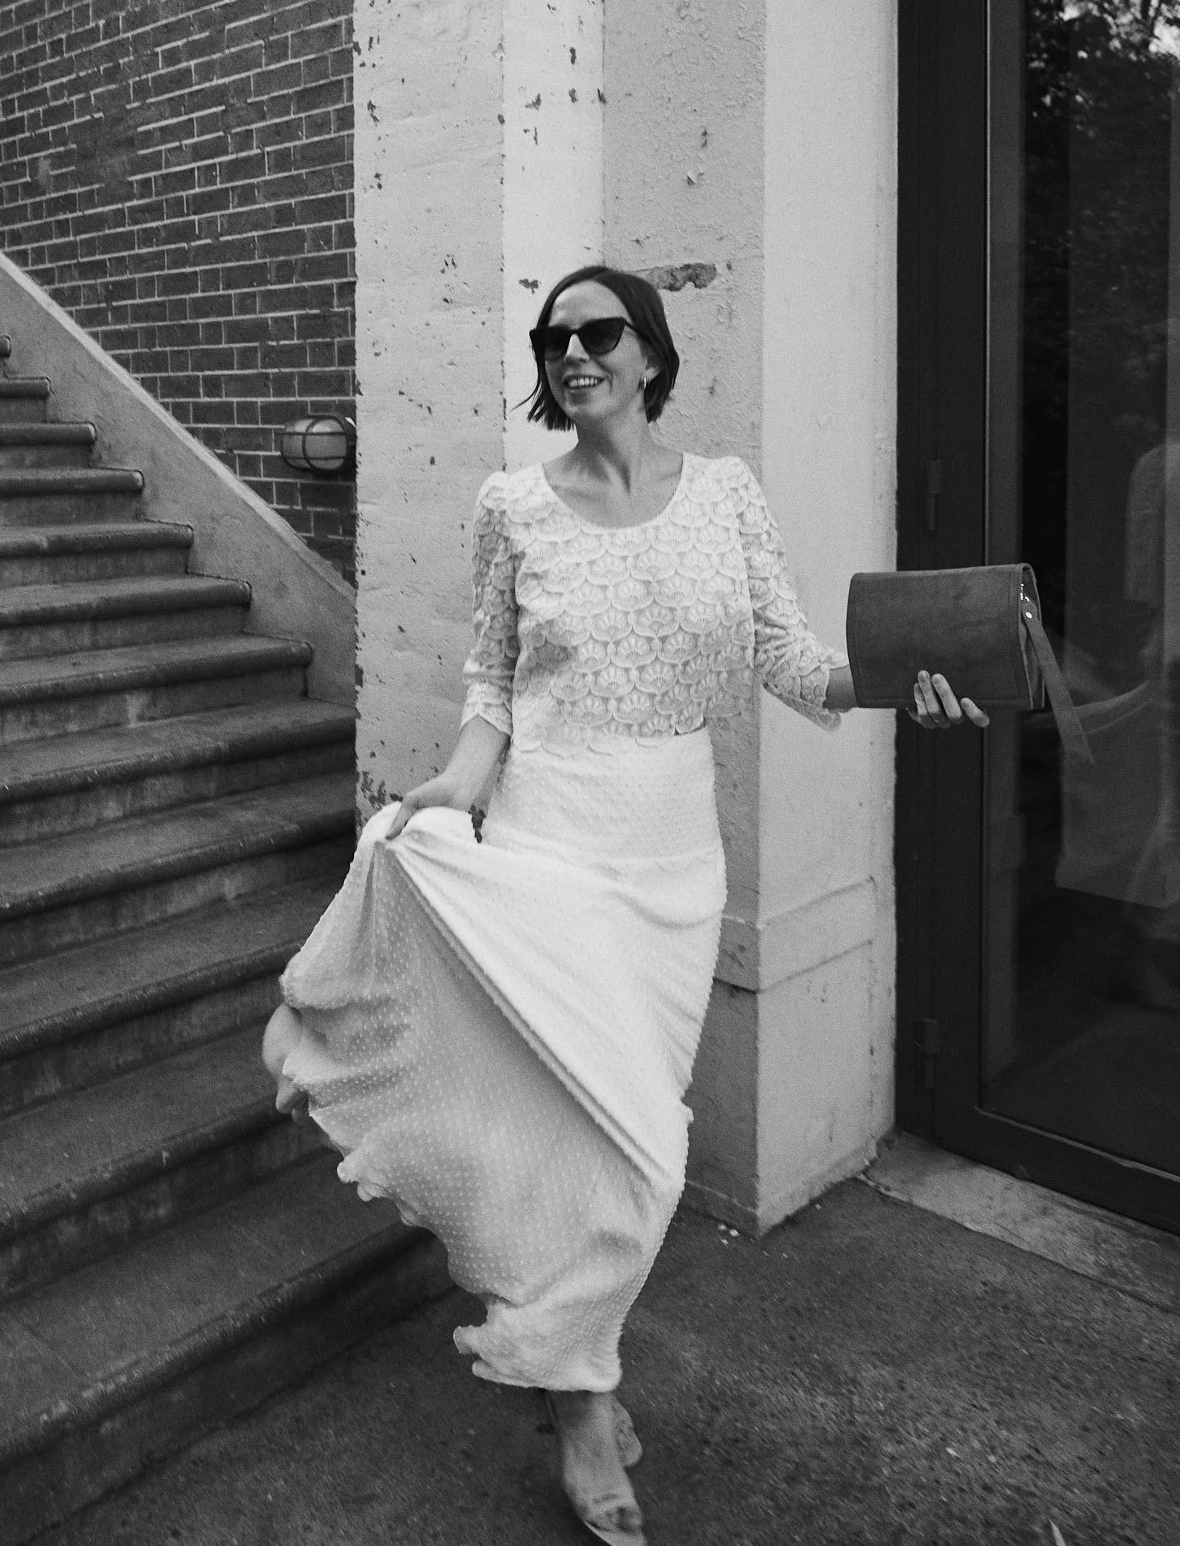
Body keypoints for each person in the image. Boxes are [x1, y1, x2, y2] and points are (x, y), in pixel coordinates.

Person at [262, 264, 985, 1544]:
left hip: (670, 859)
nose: (573, 351)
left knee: (628, 1143)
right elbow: (492, 673)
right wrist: (454, 784)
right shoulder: (512, 507)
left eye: (599, 332)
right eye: (554, 336)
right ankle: (585, 1398)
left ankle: (564, 1352)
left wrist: (901, 678)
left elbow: (784, 654)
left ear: (650, 352)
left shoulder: (725, 496)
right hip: (548, 836)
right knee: (617, 1149)